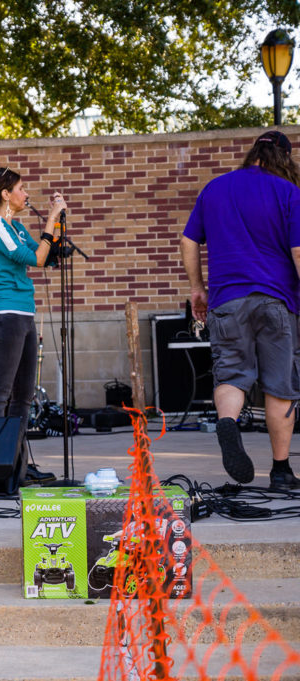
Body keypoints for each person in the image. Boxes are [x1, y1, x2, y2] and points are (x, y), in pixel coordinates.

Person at [180, 130, 300, 491]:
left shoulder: (215, 189)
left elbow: (188, 240)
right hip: (276, 299)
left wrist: (198, 288)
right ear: (284, 158)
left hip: (227, 299)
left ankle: (228, 422)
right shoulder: (290, 193)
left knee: (231, 374)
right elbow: (298, 252)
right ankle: (280, 471)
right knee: (281, 385)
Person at [0, 167, 65, 420]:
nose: (26, 193)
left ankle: (16, 459)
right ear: (6, 194)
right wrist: (51, 217)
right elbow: (35, 259)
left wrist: (57, 222)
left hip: (24, 315)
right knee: (1, 393)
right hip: (5, 316)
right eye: (21, 188)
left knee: (24, 396)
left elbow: (52, 256)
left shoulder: (17, 227)